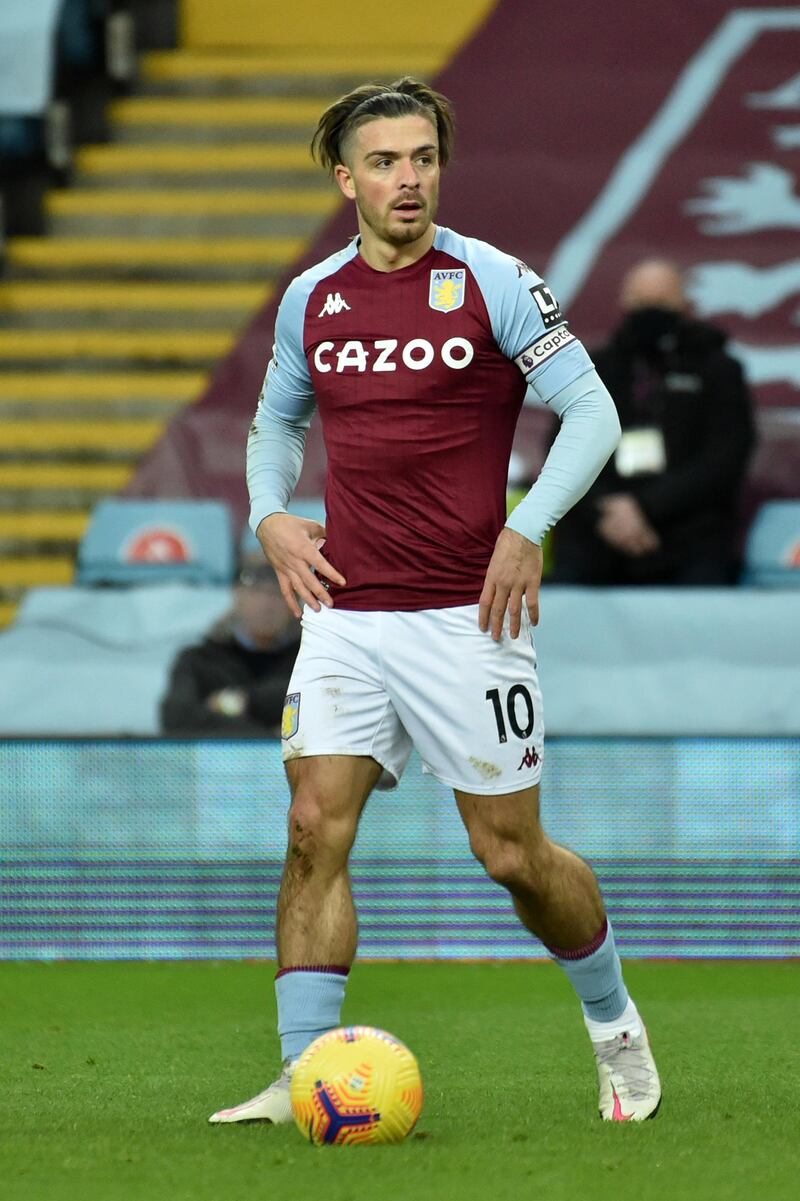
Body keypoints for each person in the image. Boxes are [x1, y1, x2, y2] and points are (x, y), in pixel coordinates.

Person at [209, 78, 661, 1126]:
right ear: (345, 178)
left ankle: (613, 1026)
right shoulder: (311, 298)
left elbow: (588, 416)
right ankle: (302, 1072)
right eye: (383, 162)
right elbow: (273, 423)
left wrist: (525, 526)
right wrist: (269, 513)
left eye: (421, 159)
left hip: (468, 618)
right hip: (348, 612)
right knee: (313, 825)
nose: (405, 179)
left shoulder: (494, 282)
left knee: (508, 854)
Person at [550, 258, 756, 585]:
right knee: (565, 583)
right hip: (603, 529)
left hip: (688, 533)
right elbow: (561, 449)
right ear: (625, 303)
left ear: (685, 304)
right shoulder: (593, 369)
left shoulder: (718, 369)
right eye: (643, 303)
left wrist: (645, 506)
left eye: (661, 303)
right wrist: (608, 509)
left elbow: (725, 459)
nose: (651, 312)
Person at [160, 549, 299, 737]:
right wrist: (269, 736)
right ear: (236, 595)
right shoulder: (198, 661)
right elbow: (177, 720)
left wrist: (241, 702)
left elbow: (318, 711)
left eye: (278, 592)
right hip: (215, 766)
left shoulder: (306, 661)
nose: (266, 604)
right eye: (256, 591)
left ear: (294, 603)